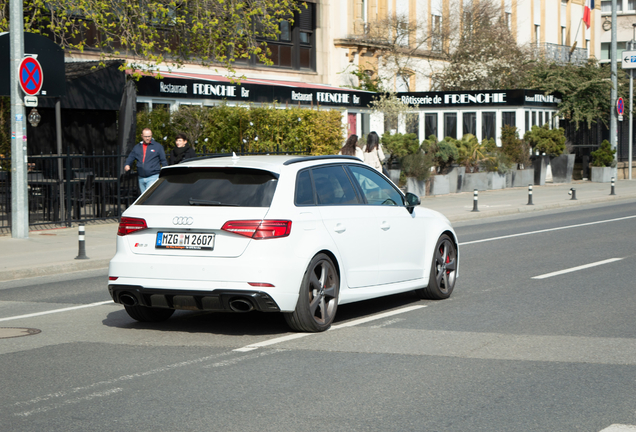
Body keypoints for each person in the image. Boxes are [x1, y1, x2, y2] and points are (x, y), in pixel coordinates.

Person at [124, 128, 168, 194]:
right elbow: (131, 157)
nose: (147, 138)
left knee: (149, 195)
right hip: (141, 177)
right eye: (145, 136)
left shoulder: (158, 146)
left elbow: (163, 160)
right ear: (142, 136)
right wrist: (127, 164)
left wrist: (165, 173)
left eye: (149, 136)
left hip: (153, 176)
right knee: (144, 198)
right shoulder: (137, 147)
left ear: (151, 135)